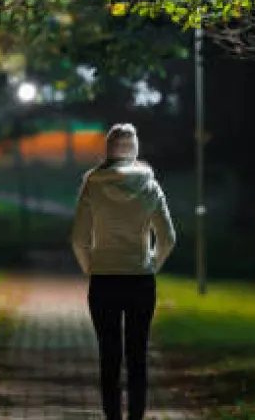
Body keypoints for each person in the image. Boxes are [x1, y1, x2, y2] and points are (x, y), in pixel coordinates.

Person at [70, 122, 177, 420]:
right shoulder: (150, 185)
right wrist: (151, 263)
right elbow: (168, 238)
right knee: (137, 355)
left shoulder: (93, 184)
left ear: (109, 149)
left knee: (109, 355)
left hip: (104, 279)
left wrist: (91, 266)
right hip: (140, 280)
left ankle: (113, 417)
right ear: (135, 150)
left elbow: (78, 239)